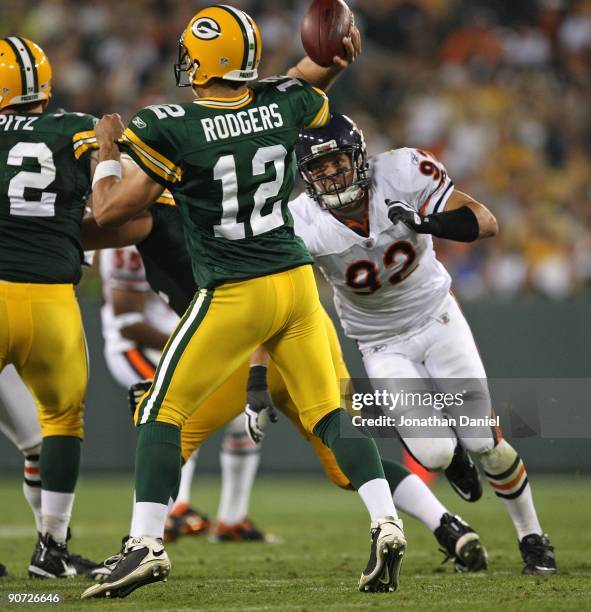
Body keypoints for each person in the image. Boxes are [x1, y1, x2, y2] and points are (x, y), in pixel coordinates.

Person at [81, 4, 408, 598]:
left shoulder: (168, 123)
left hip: (235, 289)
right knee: (330, 417)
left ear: (204, 59)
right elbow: (304, 79)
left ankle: (145, 544)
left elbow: (110, 211)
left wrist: (106, 150)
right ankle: (386, 521)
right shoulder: (284, 105)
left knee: (159, 411)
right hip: (299, 286)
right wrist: (333, 57)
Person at [83, 195, 488, 580]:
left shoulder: (177, 224)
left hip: (256, 343)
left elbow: (249, 298)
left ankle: (142, 545)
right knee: (343, 454)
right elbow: (101, 224)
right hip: (303, 327)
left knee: (167, 428)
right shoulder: (199, 215)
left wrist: (256, 378)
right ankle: (446, 525)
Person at [289, 113, 556, 575]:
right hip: (380, 343)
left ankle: (532, 536)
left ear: (360, 159)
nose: (331, 175)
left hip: (437, 318)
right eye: (320, 168)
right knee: (433, 453)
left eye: (338, 163)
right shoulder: (301, 220)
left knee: (483, 440)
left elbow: (484, 221)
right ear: (306, 178)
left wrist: (425, 220)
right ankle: (454, 461)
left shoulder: (402, 172)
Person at [0, 37, 99, 577]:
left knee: (41, 434)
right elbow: (114, 199)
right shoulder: (75, 129)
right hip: (51, 301)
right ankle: (52, 549)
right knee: (62, 421)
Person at [98, 243, 271, 543]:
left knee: (246, 414)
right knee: (180, 411)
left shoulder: (200, 222)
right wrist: (197, 340)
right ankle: (174, 510)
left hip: (189, 344)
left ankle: (232, 520)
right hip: (139, 348)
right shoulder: (131, 240)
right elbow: (128, 323)